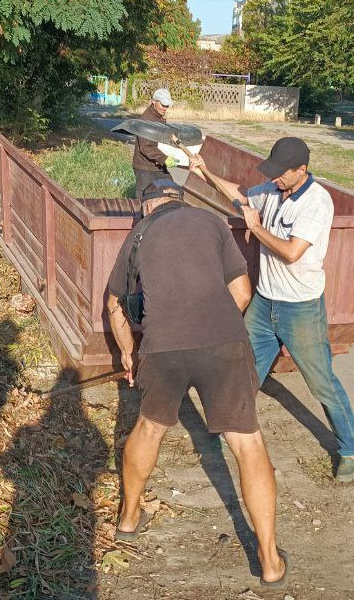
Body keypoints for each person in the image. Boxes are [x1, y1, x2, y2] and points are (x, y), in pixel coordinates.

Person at [106, 179, 288, 587]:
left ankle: (129, 518)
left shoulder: (140, 232)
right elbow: (241, 292)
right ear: (178, 200)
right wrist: (214, 333)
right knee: (247, 441)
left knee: (149, 428)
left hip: (162, 347)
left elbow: (115, 301)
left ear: (147, 205)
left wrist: (127, 353)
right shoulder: (211, 221)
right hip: (222, 342)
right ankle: (271, 560)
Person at [189, 137, 354, 482]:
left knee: (321, 382)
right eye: (273, 172)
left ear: (302, 170)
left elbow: (291, 252)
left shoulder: (316, 203)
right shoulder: (272, 189)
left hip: (300, 308)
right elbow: (241, 194)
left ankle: (351, 448)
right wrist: (204, 173)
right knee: (245, 372)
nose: (275, 179)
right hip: (264, 302)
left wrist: (255, 227)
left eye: (281, 174)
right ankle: (228, 430)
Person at [132, 88, 179, 199]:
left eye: (167, 105)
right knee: (144, 199)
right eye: (163, 105)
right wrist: (164, 159)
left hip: (157, 165)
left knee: (167, 194)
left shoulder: (158, 117)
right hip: (145, 167)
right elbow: (146, 147)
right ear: (154, 102)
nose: (165, 108)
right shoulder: (147, 120)